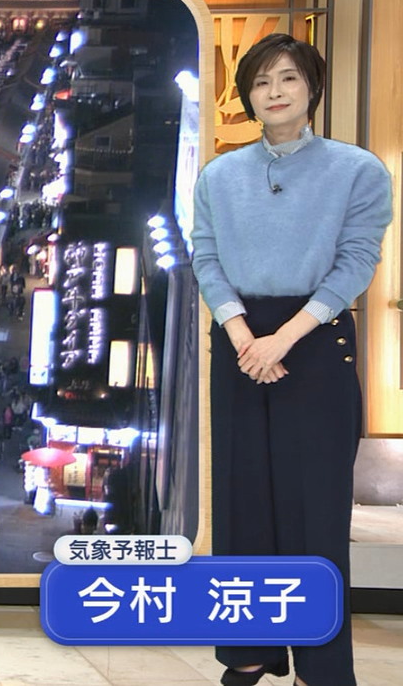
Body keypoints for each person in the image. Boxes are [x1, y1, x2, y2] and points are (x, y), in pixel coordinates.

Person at [192, 33, 392, 686]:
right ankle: (248, 651)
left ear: (312, 88)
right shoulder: (219, 175)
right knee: (242, 501)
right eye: (260, 82)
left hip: (316, 338)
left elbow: (356, 262)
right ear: (246, 96)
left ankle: (320, 668)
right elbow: (205, 257)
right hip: (239, 341)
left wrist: (283, 339)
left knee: (316, 511)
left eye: (288, 79)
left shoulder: (358, 170)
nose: (274, 92)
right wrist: (242, 335)